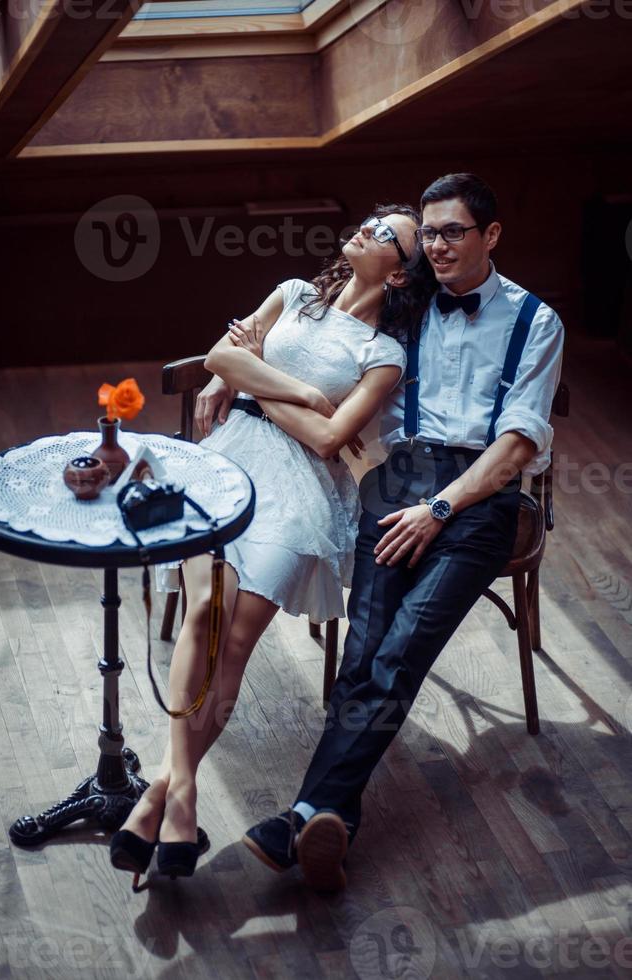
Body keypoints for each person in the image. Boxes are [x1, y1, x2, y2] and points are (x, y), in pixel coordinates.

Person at [242, 173, 565, 891]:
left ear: (492, 236)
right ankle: (331, 817)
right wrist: (223, 375)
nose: (441, 246)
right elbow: (301, 344)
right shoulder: (403, 307)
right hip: (393, 488)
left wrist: (440, 509)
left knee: (399, 651)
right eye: (431, 234)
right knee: (363, 653)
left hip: (479, 503)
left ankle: (305, 815)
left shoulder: (534, 321)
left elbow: (516, 447)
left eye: (455, 231)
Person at [109, 203, 437, 885]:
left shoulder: (385, 355)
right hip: (227, 463)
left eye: (386, 235)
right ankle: (180, 800)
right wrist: (302, 392)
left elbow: (326, 440)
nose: (367, 229)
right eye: (373, 220)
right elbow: (221, 357)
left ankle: (158, 793)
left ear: (401, 276)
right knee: (203, 614)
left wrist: (256, 377)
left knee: (234, 642)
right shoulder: (293, 294)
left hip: (302, 495)